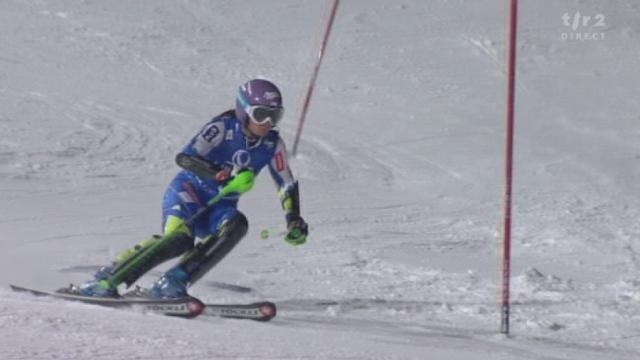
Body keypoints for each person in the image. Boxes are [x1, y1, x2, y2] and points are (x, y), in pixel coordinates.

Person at [77, 79, 308, 298]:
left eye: (274, 116)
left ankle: (173, 282)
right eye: (261, 114)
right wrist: (220, 174)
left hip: (220, 206)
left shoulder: (272, 144)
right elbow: (186, 158)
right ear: (244, 111)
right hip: (189, 192)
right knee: (180, 240)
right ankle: (107, 280)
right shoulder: (223, 127)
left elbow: (285, 180)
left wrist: (293, 218)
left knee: (237, 225)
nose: (267, 123)